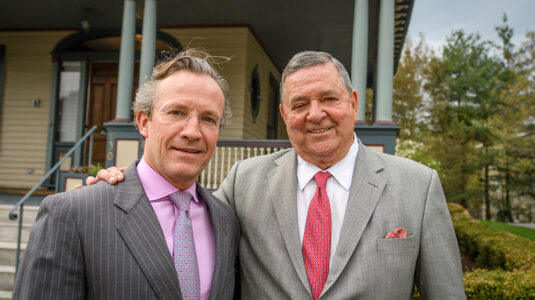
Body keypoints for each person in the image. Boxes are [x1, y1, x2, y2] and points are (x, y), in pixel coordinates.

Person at [92, 51, 466, 299]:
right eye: (300, 105)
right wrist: (127, 184)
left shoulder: (419, 185)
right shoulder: (244, 181)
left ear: (352, 103)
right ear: (286, 116)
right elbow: (180, 221)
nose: (315, 114)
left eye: (329, 99)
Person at [13, 49, 240, 300]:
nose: (193, 132)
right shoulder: (74, 214)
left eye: (208, 119)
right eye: (176, 112)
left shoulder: (226, 220)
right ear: (144, 122)